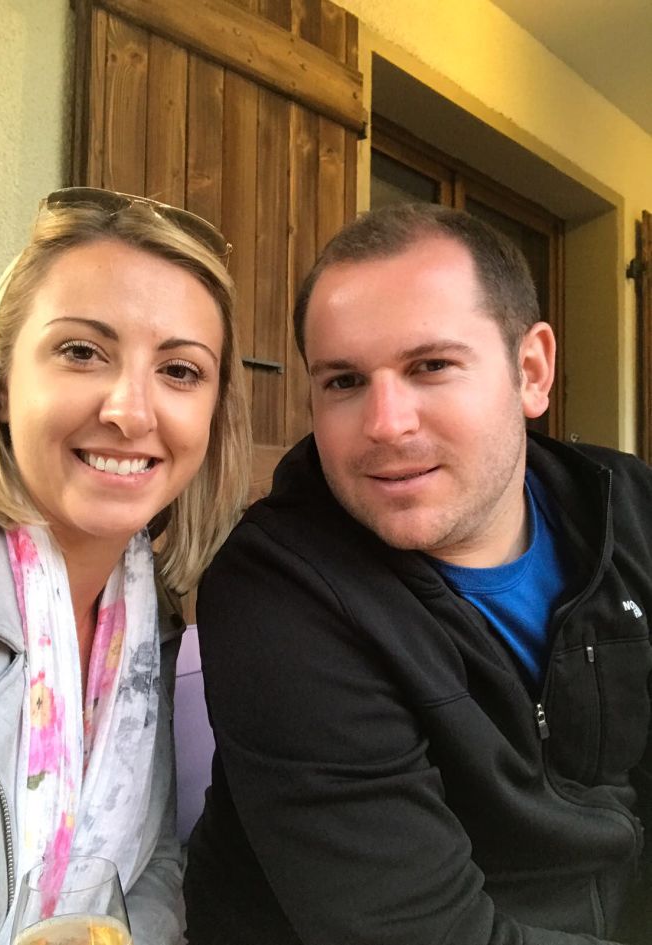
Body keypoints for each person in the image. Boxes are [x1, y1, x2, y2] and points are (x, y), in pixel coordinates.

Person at [184, 202, 652, 945]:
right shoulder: (278, 586)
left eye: (430, 365)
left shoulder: (629, 511)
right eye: (343, 382)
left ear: (531, 371)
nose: (386, 423)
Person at [0, 187, 250, 945]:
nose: (130, 410)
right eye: (82, 351)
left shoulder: (148, 612)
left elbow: (145, 864)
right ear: (6, 382)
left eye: (180, 371)